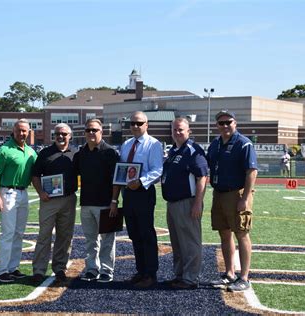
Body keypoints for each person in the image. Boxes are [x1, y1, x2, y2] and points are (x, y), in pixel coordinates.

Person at [207, 110, 258, 292]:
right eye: (221, 123)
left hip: (237, 193)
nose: (225, 125)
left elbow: (252, 171)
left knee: (242, 233)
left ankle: (244, 277)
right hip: (218, 193)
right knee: (224, 233)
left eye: (228, 122)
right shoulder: (215, 144)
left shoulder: (244, 144)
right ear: (217, 126)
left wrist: (245, 198)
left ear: (235, 123)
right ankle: (229, 273)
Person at [111, 111, 163, 289]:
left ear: (146, 125)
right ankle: (140, 271)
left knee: (146, 234)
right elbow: (122, 170)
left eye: (139, 123)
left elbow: (157, 170)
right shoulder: (126, 144)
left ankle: (150, 274)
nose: (135, 126)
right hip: (128, 194)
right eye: (132, 123)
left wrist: (140, 182)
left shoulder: (153, 144)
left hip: (144, 193)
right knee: (134, 234)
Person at [161, 118, 208, 290]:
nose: (177, 132)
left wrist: (197, 203)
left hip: (187, 202)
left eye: (180, 129)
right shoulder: (173, 150)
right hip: (172, 203)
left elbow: (202, 177)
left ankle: (190, 278)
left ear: (189, 131)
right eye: (174, 130)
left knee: (190, 242)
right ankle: (179, 275)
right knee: (177, 243)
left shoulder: (192, 150)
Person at [0, 119, 37, 283]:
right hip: (8, 192)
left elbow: (37, 173)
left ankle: (13, 268)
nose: (22, 133)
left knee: (19, 233)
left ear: (29, 132)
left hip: (24, 193)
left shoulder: (31, 151)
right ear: (14, 131)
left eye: (24, 131)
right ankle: (2, 270)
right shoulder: (4, 150)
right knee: (8, 233)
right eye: (19, 131)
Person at [31, 123, 78, 283]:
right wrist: (41, 192)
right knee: (44, 235)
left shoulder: (75, 154)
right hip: (48, 200)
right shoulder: (45, 153)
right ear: (54, 135)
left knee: (65, 236)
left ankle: (60, 268)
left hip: (69, 199)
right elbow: (35, 176)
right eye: (58, 133)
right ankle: (38, 270)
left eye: (64, 134)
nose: (61, 136)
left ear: (70, 136)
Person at [74, 119, 120, 283]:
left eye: (94, 130)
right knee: (90, 240)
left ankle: (107, 270)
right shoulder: (81, 154)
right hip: (86, 204)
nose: (91, 133)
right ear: (84, 133)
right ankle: (92, 269)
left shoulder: (110, 153)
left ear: (102, 132)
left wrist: (114, 201)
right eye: (88, 130)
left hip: (106, 203)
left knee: (107, 240)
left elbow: (117, 180)